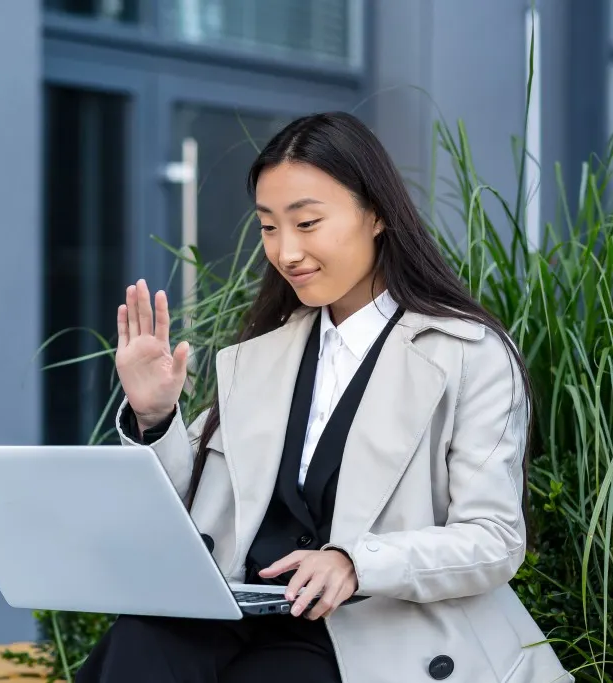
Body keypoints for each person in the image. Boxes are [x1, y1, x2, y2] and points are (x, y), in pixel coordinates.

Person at [74, 112, 571, 683]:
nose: (286, 252)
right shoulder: (265, 355)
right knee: (139, 644)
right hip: (245, 608)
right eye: (268, 227)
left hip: (367, 627)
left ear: (377, 213)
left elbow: (495, 538)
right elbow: (191, 512)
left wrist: (356, 563)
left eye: (307, 222)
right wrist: (155, 414)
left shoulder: (467, 354)